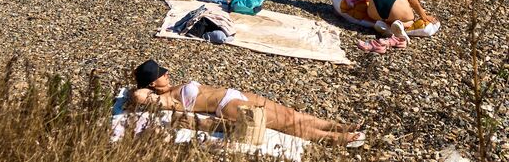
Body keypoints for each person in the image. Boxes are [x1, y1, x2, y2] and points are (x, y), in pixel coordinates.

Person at [129, 60, 364, 147]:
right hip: (226, 106)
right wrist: (142, 90)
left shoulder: (171, 89)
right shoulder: (165, 99)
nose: (167, 74)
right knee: (285, 125)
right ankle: (336, 139)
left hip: (236, 94)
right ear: (151, 83)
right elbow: (138, 97)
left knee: (291, 114)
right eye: (160, 74)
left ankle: (338, 125)